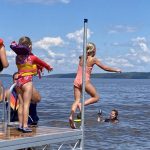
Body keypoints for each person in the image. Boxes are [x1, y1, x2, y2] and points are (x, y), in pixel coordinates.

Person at [69, 42, 121, 129]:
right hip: (84, 81)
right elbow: (105, 68)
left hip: (76, 81)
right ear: (93, 50)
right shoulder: (93, 59)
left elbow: (80, 56)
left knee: (76, 100)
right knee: (96, 97)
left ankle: (71, 116)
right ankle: (82, 105)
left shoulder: (82, 57)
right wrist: (116, 70)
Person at [10, 36, 53, 133]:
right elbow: (43, 64)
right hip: (27, 82)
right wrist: (49, 68)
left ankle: (20, 125)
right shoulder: (32, 57)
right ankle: (25, 126)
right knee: (26, 105)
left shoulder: (17, 57)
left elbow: (23, 66)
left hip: (18, 82)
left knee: (20, 104)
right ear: (30, 46)